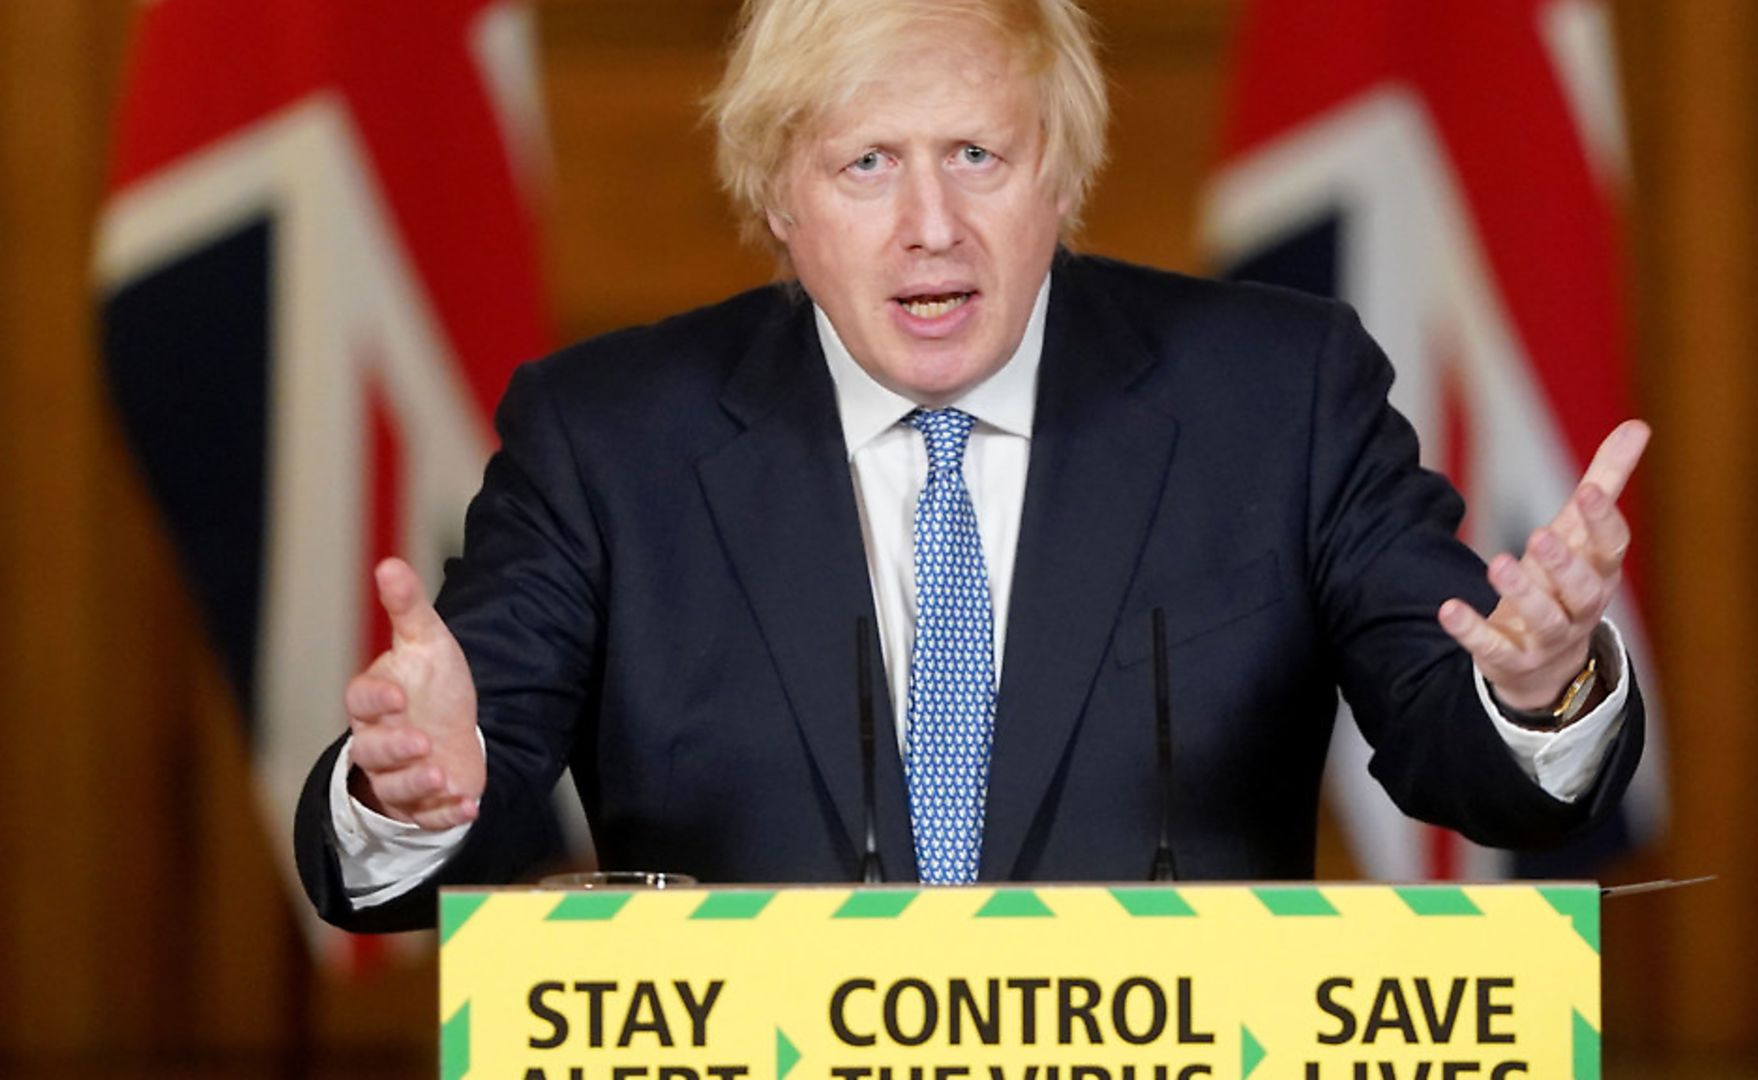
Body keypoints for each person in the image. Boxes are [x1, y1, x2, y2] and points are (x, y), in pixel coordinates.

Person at [295, 0, 1647, 932]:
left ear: (1061, 170)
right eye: (868, 164)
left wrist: (1540, 689)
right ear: (779, 194)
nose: (929, 226)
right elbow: (442, 823)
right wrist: (407, 792)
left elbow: (1462, 756)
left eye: (978, 156)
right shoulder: (610, 439)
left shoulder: (1276, 396)